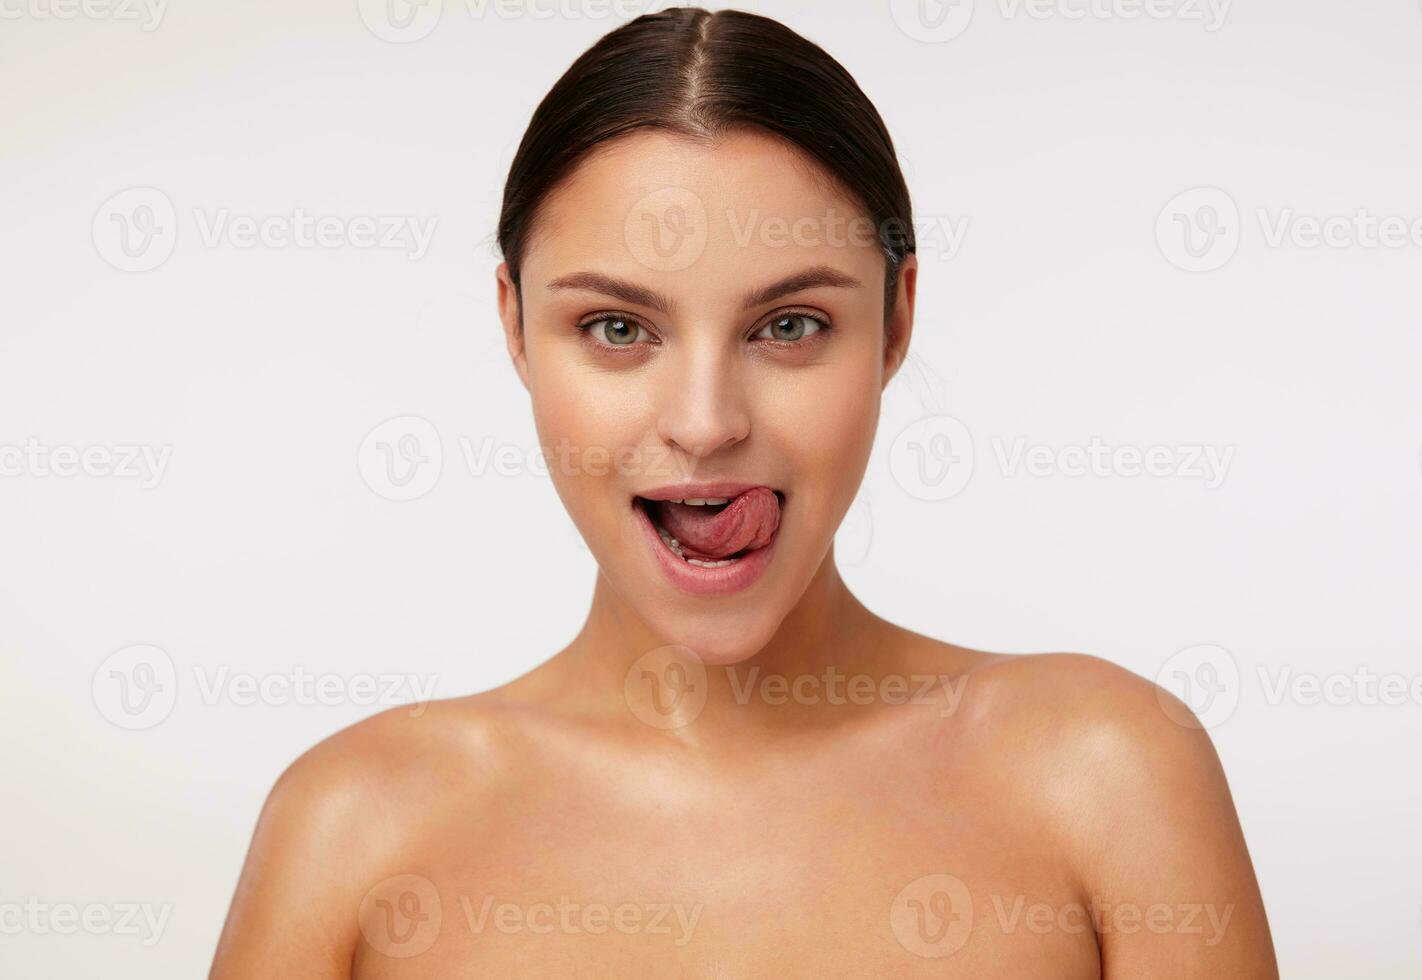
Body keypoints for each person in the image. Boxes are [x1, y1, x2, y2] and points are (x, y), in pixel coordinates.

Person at [210, 7, 1277, 976]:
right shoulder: (352, 828)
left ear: (897, 322)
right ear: (515, 325)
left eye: (789, 325)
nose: (708, 419)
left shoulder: (1111, 774)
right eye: (618, 329)